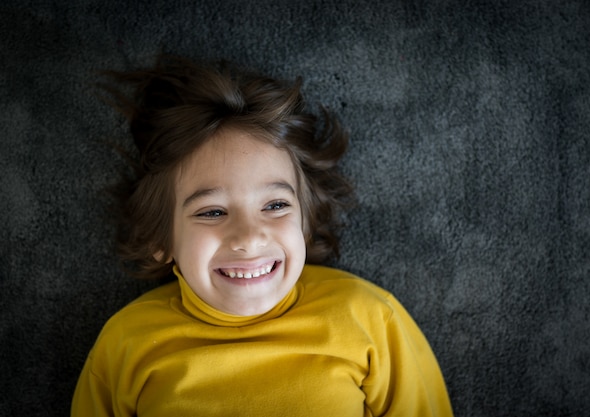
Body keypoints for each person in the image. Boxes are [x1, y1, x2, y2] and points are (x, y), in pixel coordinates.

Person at [71, 55, 453, 417]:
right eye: (212, 212)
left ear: (304, 221)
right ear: (161, 240)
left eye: (275, 206)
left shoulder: (369, 317)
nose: (249, 238)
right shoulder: (126, 343)